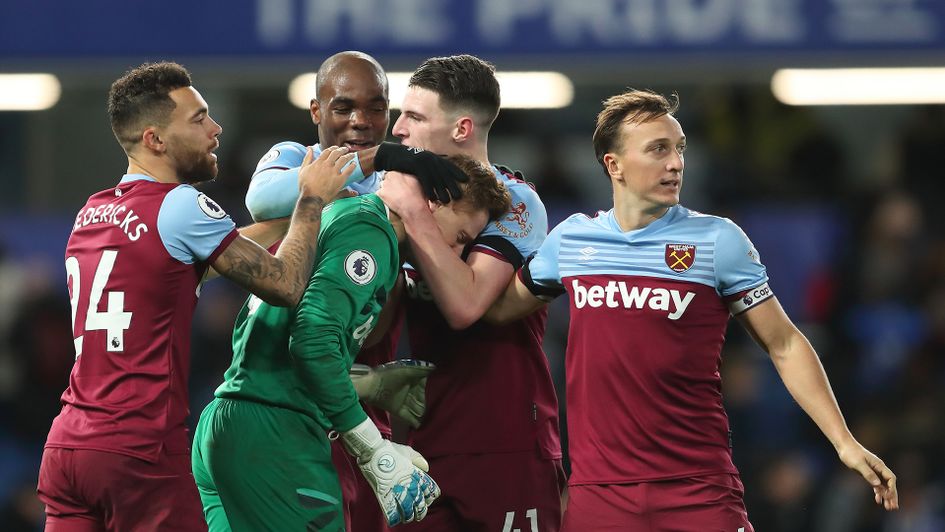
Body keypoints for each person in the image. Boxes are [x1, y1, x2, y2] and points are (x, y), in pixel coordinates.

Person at [485, 89, 900, 530]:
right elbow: (494, 310)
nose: (676, 163)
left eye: (679, 148)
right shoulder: (571, 241)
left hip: (698, 492)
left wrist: (844, 442)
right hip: (599, 496)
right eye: (658, 149)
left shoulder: (717, 240)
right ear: (614, 165)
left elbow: (784, 343)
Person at [36, 61, 353, 531]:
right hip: (138, 453)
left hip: (68, 449)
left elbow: (218, 247)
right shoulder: (180, 204)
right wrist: (308, 199)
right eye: (198, 118)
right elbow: (285, 285)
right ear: (155, 140)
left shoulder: (93, 211)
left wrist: (322, 207)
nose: (215, 128)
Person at [191, 154, 513, 531]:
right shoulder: (370, 231)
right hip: (277, 437)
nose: (456, 253)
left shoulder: (342, 213)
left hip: (231, 419)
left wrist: (365, 406)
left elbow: (276, 331)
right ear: (434, 203)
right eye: (461, 238)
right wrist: (371, 448)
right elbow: (312, 340)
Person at [243, 50, 442, 532]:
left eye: (376, 107)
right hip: (290, 406)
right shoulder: (295, 157)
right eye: (343, 107)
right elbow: (260, 200)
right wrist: (374, 164)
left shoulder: (405, 180)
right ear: (316, 111)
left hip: (364, 404)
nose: (361, 121)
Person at [378, 54, 565, 532]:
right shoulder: (399, 194)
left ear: (462, 128)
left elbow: (465, 307)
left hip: (505, 444)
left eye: (415, 117)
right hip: (419, 443)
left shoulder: (513, 200)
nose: (398, 129)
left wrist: (413, 213)